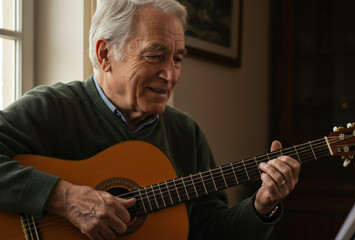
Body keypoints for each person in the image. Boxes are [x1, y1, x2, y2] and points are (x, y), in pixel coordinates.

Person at [0, 0, 300, 239]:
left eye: (178, 58)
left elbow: (211, 229)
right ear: (105, 54)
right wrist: (63, 197)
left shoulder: (185, 133)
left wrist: (262, 206)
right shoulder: (51, 108)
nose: (171, 75)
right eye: (155, 56)